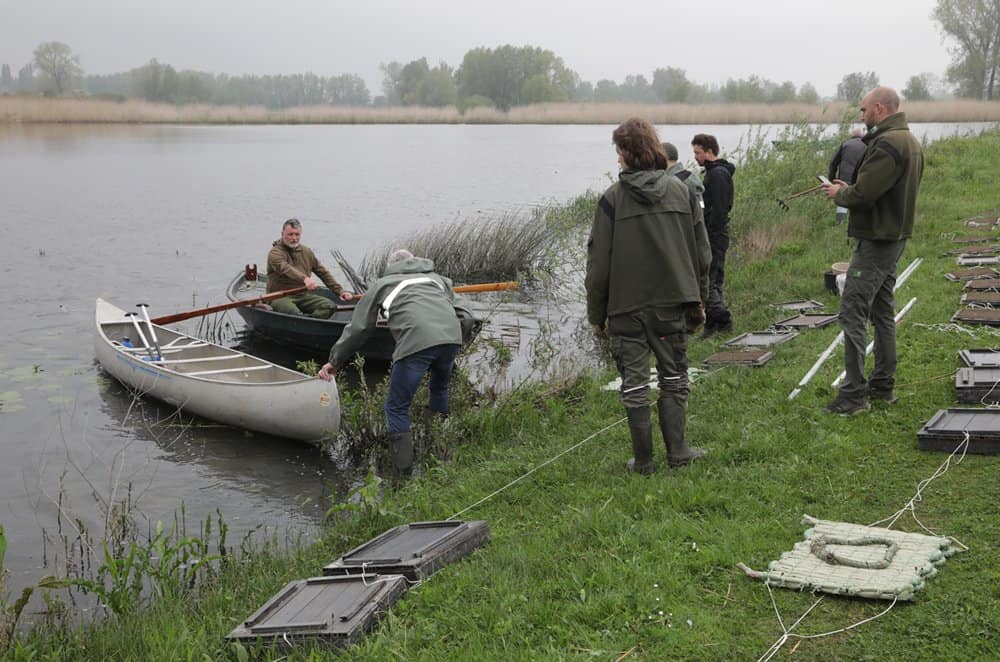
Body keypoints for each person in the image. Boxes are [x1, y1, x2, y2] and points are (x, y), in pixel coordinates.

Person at [586, 117, 711, 474]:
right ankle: (679, 452)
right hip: (673, 304)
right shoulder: (683, 191)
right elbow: (702, 255)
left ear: (627, 153)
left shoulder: (610, 200)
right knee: (674, 377)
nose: (617, 160)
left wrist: (597, 317)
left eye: (618, 152)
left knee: (635, 384)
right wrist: (698, 299)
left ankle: (643, 461)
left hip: (626, 309)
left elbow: (598, 269)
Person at [820, 86, 923, 415]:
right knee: (882, 312)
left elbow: (864, 194)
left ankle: (853, 395)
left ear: (879, 109)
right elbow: (879, 189)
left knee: (852, 311)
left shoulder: (889, 143)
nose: (861, 116)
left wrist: (840, 193)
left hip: (878, 240)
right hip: (893, 236)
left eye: (864, 110)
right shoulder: (908, 140)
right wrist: (849, 189)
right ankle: (882, 385)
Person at [317, 249, 465, 476]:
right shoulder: (438, 280)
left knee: (396, 407)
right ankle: (436, 450)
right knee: (439, 388)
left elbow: (360, 328)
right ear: (414, 261)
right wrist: (455, 338)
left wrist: (334, 361)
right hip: (452, 338)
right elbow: (465, 311)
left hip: (416, 341)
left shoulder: (383, 284)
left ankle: (402, 474)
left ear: (391, 265)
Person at [691, 133, 736, 338]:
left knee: (709, 277)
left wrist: (706, 233)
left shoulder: (717, 175)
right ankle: (713, 323)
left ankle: (723, 319)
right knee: (714, 277)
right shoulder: (713, 173)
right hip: (714, 233)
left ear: (709, 152)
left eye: (697, 152)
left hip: (715, 235)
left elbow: (718, 209)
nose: (695, 157)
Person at [266, 218, 352, 318]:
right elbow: (285, 268)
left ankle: (308, 321)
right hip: (279, 297)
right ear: (282, 234)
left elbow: (323, 273)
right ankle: (301, 319)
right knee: (292, 312)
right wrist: (305, 279)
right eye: (290, 234)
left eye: (297, 234)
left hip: (302, 296)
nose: (294, 238)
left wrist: (340, 291)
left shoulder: (306, 252)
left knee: (329, 306)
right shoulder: (275, 253)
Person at [828, 127, 867, 225]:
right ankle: (856, 224)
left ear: (852, 136)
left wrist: (832, 180)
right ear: (862, 136)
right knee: (857, 200)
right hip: (860, 180)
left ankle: (839, 223)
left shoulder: (845, 144)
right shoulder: (867, 145)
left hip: (844, 179)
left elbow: (833, 163)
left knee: (843, 200)